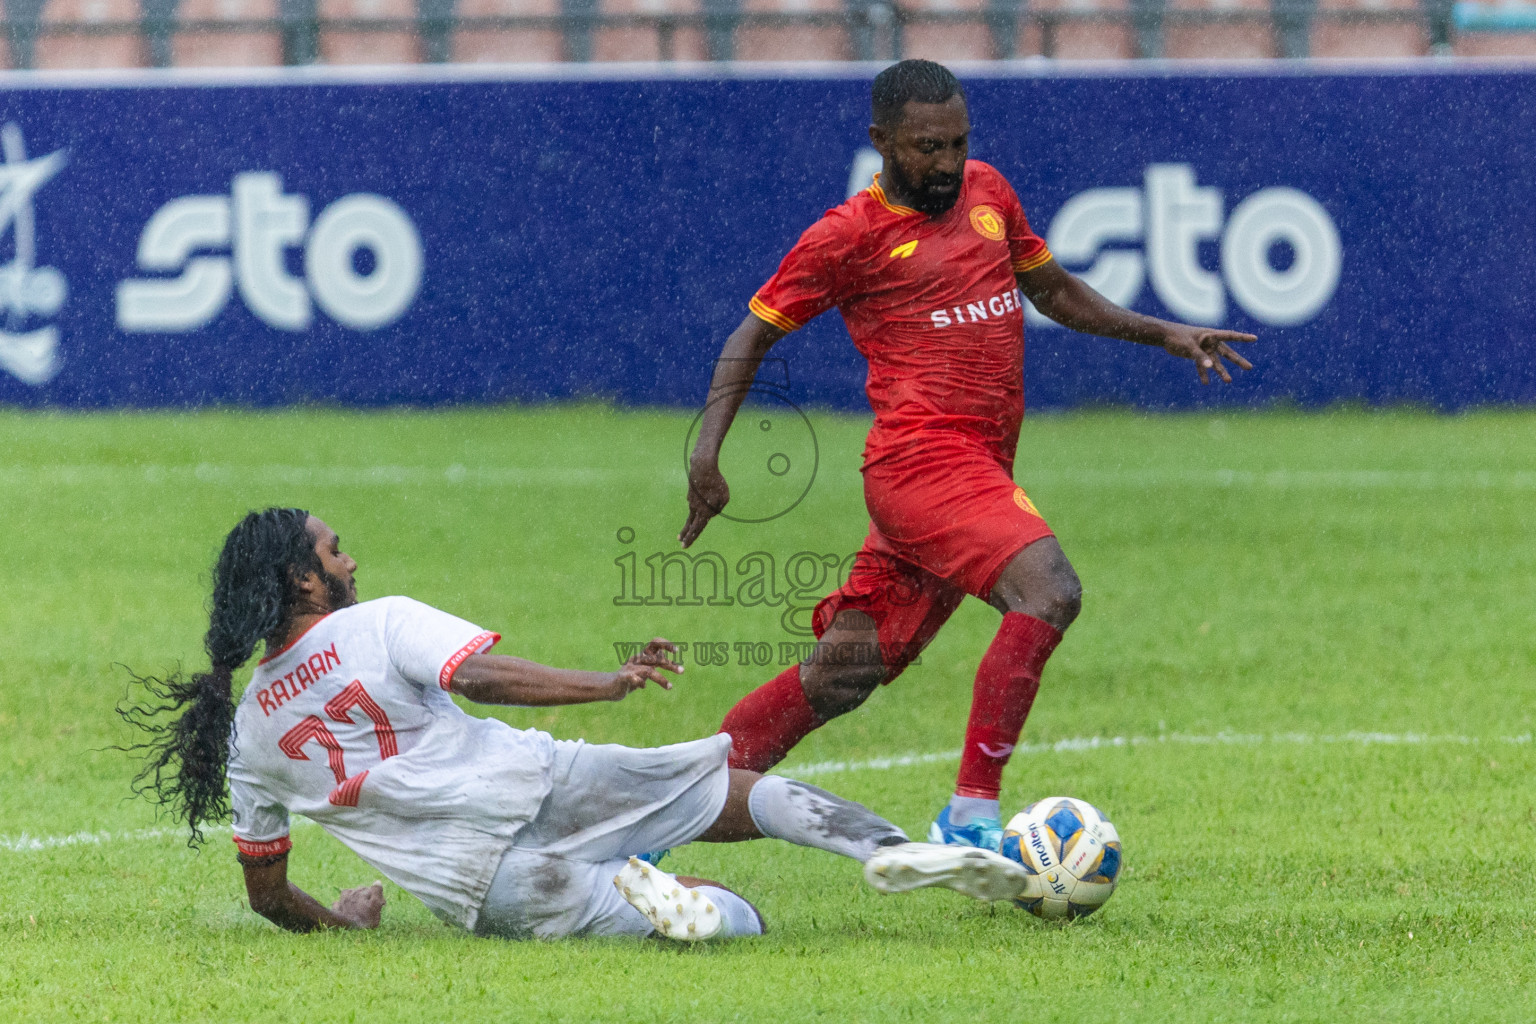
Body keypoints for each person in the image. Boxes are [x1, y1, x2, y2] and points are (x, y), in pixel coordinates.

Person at [681, 59, 1256, 853]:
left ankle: (663, 812)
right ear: (881, 141)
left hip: (975, 472)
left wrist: (1165, 332)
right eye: (926, 147)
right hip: (920, 465)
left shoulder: (989, 192)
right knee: (1050, 591)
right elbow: (752, 336)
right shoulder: (847, 235)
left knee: (842, 674)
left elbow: (1052, 292)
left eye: (957, 142)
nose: (947, 163)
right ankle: (972, 815)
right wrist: (707, 457)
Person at [119, 507, 1029, 942]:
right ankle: (887, 847)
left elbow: (266, 896)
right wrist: (606, 684)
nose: (352, 558)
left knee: (718, 928)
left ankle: (673, 899)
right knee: (728, 788)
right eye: (333, 549)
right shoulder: (379, 620)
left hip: (485, 887)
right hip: (539, 780)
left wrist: (345, 922)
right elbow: (478, 677)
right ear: (306, 584)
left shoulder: (247, 735)